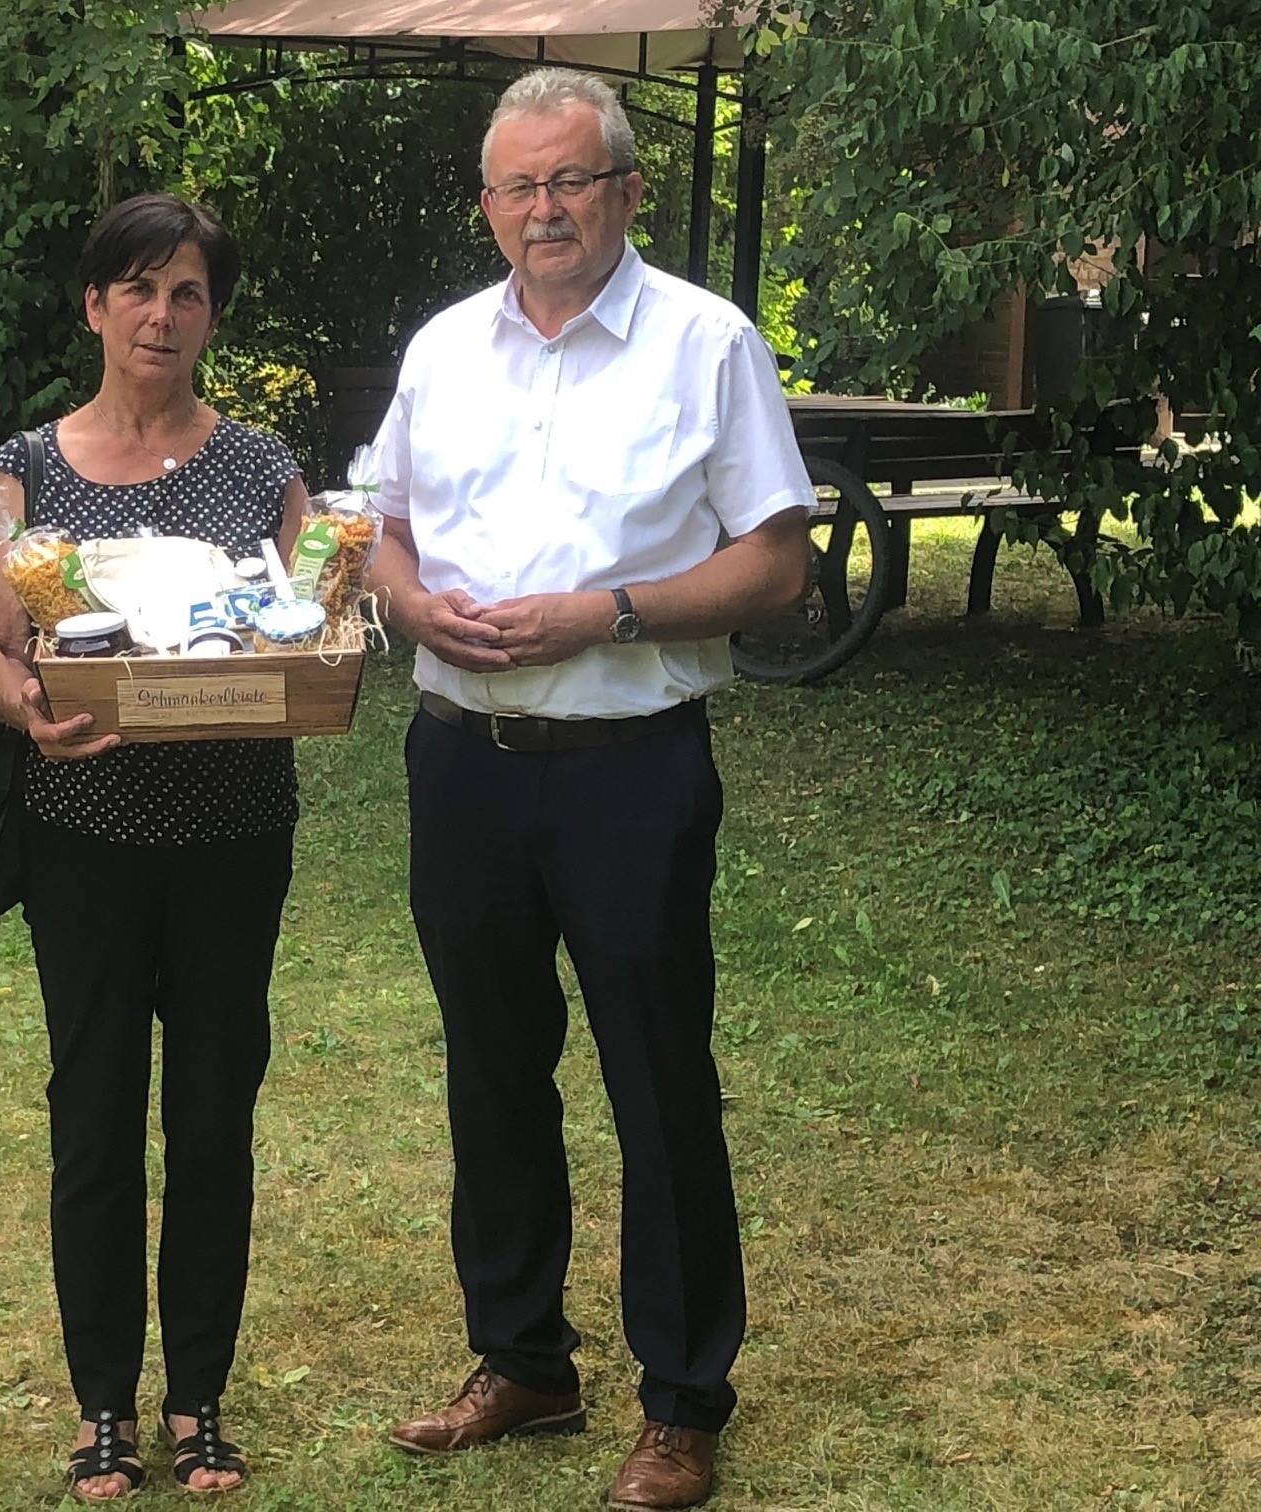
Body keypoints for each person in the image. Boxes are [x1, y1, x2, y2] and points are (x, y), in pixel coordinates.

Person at [368, 69, 812, 1510]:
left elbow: (776, 565)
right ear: (488, 201)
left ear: (626, 189)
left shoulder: (707, 342)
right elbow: (377, 534)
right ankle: (523, 1361)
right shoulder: (443, 348)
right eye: (518, 185)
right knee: (492, 1066)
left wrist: (608, 613)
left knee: (655, 1076)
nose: (544, 210)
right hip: (464, 764)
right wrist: (413, 607)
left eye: (571, 180)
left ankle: (682, 1398)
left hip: (631, 764)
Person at [0, 193, 307, 1501]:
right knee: (94, 1118)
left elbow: (303, 634)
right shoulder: (22, 475)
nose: (163, 315)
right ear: (95, 303)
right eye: (138, 289)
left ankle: (200, 1402)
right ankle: (103, 1403)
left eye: (189, 294)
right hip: (85, 842)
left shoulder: (264, 469)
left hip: (234, 837)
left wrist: (320, 628)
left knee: (214, 1120)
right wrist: (30, 714)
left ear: (213, 316)